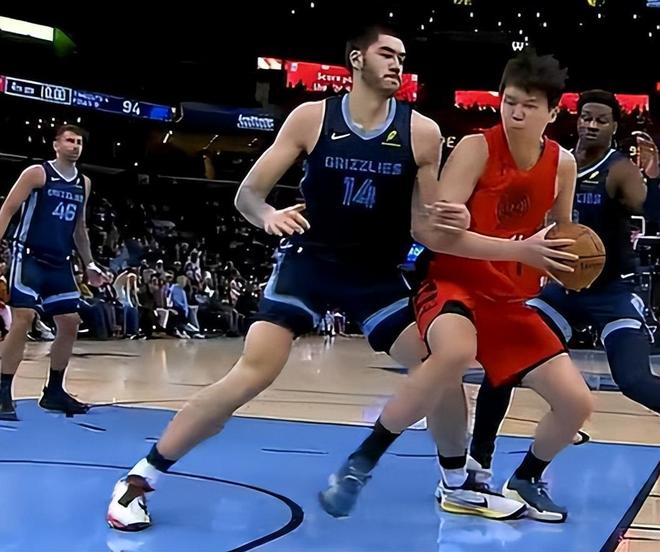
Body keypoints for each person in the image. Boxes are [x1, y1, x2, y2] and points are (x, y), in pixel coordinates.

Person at [105, 24, 484, 531]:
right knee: (253, 372)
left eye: (402, 57)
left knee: (441, 366)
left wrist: (457, 221)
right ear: (356, 59)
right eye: (386, 54)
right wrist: (268, 216)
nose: (398, 64)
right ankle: (139, 478)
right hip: (309, 262)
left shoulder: (423, 132)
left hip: (374, 273)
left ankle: (456, 483)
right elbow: (248, 195)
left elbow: (423, 226)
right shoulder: (312, 117)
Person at [320, 49, 593, 523]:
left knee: (576, 403)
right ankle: (362, 461)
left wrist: (569, 261)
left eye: (529, 105)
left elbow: (560, 233)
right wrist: (518, 250)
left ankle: (526, 479)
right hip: (453, 282)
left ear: (553, 112)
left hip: (509, 298)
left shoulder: (562, 164)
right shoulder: (476, 148)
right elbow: (435, 233)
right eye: (509, 101)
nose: (516, 113)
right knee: (453, 352)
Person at [466, 90, 660, 516]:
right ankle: (477, 468)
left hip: (612, 292)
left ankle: (531, 465)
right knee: (502, 364)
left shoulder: (620, 170)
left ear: (614, 126)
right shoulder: (558, 163)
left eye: (601, 120)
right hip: (563, 290)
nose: (591, 125)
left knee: (634, 381)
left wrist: (654, 179)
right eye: (586, 117)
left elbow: (649, 210)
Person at [0, 124, 109, 421]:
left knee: (70, 322)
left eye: (79, 142)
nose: (75, 146)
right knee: (23, 318)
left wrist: (89, 263)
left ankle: (54, 392)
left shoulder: (83, 183)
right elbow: (8, 209)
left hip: (60, 261)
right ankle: (3, 390)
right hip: (29, 256)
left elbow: (79, 227)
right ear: (56, 145)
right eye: (69, 141)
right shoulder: (38, 173)